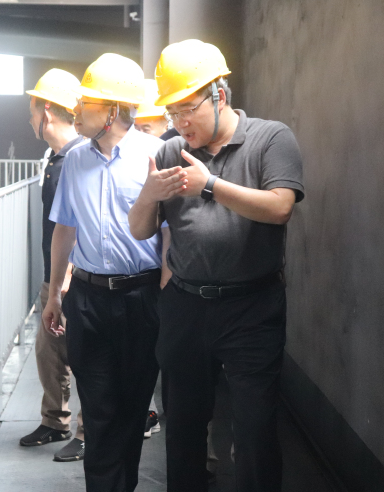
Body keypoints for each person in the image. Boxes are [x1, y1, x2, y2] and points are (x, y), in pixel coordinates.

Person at [129, 39, 304, 492]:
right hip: (185, 305)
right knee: (183, 428)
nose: (179, 122)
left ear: (219, 95)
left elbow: (280, 207)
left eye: (188, 109)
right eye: (172, 113)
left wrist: (209, 185)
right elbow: (141, 230)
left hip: (252, 307)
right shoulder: (169, 151)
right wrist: (148, 195)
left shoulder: (270, 138)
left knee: (255, 431)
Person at [42, 53, 180, 492]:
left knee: (132, 409)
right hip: (88, 300)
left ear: (113, 112)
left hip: (141, 299)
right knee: (99, 412)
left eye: (87, 102)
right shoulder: (74, 160)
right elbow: (65, 229)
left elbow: (170, 232)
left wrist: (164, 297)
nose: (77, 109)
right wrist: (55, 294)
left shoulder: (153, 156)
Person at [20, 68, 88, 462]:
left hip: (73, 276)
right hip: (55, 275)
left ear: (46, 111)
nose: (29, 119)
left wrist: (65, 280)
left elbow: (80, 226)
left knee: (83, 355)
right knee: (49, 350)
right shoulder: (56, 158)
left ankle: (87, 431)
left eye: (32, 110)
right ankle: (55, 420)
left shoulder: (79, 159)